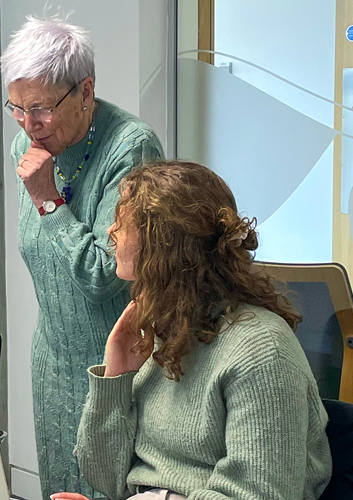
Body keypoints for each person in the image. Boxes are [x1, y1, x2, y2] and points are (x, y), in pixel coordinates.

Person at [53, 161, 332, 500]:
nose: (110, 232)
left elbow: (260, 494)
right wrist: (116, 375)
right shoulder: (165, 330)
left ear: (163, 246)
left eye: (120, 223)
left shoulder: (261, 348)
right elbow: (104, 477)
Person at [0, 14, 164, 499]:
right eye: (16, 107)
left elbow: (101, 275)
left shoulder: (131, 147)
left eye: (41, 109)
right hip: (52, 359)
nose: (29, 125)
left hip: (118, 362)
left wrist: (49, 200)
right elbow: (44, 259)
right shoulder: (24, 146)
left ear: (85, 92)